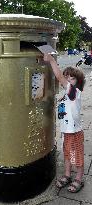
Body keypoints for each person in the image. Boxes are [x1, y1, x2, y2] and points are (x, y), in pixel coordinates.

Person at [43, 54, 85, 193]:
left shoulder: (75, 92)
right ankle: (67, 174)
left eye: (71, 78)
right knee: (67, 154)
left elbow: (59, 78)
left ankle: (79, 178)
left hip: (74, 132)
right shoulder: (66, 95)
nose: (67, 79)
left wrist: (52, 61)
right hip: (66, 132)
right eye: (67, 76)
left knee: (76, 156)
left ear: (77, 82)